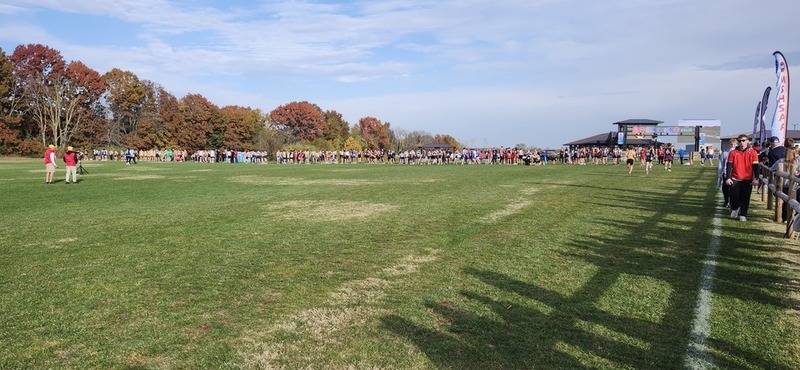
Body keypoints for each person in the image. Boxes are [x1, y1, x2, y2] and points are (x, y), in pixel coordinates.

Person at [725, 135, 760, 221]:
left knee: (746, 197)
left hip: (747, 179)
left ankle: (743, 214)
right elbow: (729, 165)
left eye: (743, 140)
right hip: (735, 178)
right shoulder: (733, 152)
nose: (741, 142)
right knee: (733, 195)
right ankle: (735, 208)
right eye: (740, 141)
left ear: (747, 141)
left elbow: (756, 166)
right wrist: (728, 177)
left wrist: (756, 178)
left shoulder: (753, 152)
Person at [718, 138, 737, 207]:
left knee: (733, 188)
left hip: (735, 173)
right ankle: (726, 200)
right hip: (726, 172)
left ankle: (732, 201)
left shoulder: (737, 152)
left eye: (734, 144)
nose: (733, 146)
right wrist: (720, 172)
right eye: (731, 144)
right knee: (725, 188)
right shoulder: (725, 152)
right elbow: (721, 163)